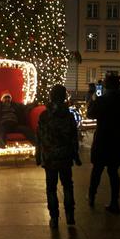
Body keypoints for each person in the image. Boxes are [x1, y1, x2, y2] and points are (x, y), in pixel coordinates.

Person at [36, 84, 81, 228]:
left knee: (51, 187)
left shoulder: (44, 115)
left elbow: (40, 137)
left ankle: (54, 218)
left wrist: (38, 155)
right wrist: (76, 155)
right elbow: (74, 137)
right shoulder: (69, 115)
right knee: (68, 185)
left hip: (50, 157)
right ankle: (70, 215)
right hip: (65, 156)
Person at [87, 74, 120, 214]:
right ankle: (115, 202)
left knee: (97, 170)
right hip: (117, 137)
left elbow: (90, 114)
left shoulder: (102, 99)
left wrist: (93, 101)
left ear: (106, 85)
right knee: (113, 172)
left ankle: (92, 196)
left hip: (103, 137)